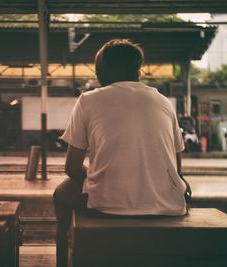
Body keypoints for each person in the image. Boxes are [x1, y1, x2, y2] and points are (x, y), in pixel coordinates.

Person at [53, 39, 187, 267]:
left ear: (104, 70)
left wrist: (96, 175)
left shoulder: (88, 100)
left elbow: (72, 168)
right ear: (138, 71)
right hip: (169, 205)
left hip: (107, 203)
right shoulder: (163, 101)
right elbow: (177, 167)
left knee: (62, 193)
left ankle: (66, 258)